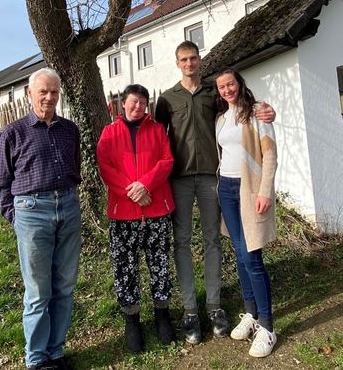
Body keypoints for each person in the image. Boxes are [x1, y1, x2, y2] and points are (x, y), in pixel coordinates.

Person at [155, 41, 275, 344]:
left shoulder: (214, 92)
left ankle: (214, 305)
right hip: (180, 179)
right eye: (184, 59)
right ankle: (190, 310)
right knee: (181, 242)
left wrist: (268, 111)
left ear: (199, 60)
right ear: (177, 62)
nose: (189, 63)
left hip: (213, 178)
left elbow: (242, 112)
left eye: (194, 58)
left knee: (213, 240)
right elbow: (155, 137)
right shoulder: (167, 99)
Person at [0, 68, 82, 370]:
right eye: (43, 91)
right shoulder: (12, 133)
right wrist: (17, 218)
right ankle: (36, 360)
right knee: (37, 292)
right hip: (32, 212)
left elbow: (76, 168)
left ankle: (56, 352)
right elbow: (2, 186)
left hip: (68, 208)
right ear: (29, 94)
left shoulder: (70, 130)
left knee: (64, 286)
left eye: (54, 92)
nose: (49, 97)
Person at [96, 84, 176, 353]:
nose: (138, 106)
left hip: (156, 209)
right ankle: (132, 320)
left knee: (160, 264)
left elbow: (166, 161)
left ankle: (162, 314)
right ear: (123, 103)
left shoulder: (157, 131)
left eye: (143, 102)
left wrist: (145, 185)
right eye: (133, 101)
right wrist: (131, 191)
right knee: (125, 268)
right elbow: (105, 165)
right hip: (124, 213)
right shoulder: (109, 133)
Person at [215, 67, 278, 358]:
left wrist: (265, 191)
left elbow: (270, 154)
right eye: (222, 87)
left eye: (230, 84)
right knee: (240, 254)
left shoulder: (257, 112)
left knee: (252, 256)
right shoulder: (221, 119)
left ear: (239, 84)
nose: (227, 90)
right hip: (226, 189)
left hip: (249, 189)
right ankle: (251, 313)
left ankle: (267, 326)